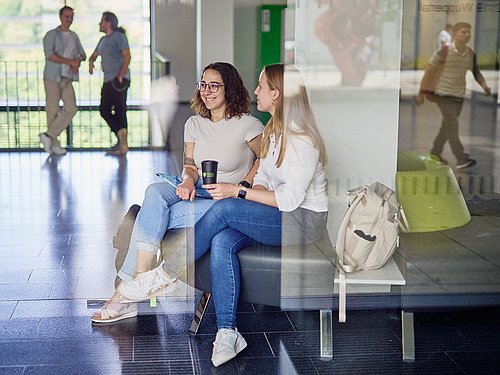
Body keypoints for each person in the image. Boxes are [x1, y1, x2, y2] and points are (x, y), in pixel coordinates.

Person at [118, 64, 329, 367]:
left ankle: (164, 275)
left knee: (226, 207)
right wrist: (246, 190)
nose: (256, 91)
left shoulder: (303, 140)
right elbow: (266, 179)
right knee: (222, 240)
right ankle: (228, 332)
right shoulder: (273, 131)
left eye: (261, 86)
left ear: (277, 94)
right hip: (276, 213)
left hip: (303, 223)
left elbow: (290, 199)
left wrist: (237, 192)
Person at [91, 62, 263, 323]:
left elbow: (266, 160)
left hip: (225, 202)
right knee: (155, 193)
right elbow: (190, 165)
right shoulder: (194, 123)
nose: (207, 90)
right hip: (197, 192)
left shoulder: (249, 124)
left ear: (230, 88)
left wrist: (244, 186)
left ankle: (125, 294)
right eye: (203, 84)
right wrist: (186, 181)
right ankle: (142, 280)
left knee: (153, 215)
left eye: (214, 85)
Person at [416, 22, 491, 169]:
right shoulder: (443, 51)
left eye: (469, 32)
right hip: (442, 93)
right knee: (453, 125)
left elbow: (475, 72)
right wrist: (421, 92)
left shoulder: (470, 53)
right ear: (455, 34)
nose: (467, 34)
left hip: (459, 95)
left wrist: (484, 85)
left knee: (447, 125)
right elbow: (429, 70)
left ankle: (435, 153)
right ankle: (460, 158)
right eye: (463, 32)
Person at [40, 5, 86, 156]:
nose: (69, 19)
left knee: (71, 108)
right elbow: (50, 56)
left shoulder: (74, 36)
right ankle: (54, 145)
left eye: (71, 17)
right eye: (67, 16)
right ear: (60, 17)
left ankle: (48, 135)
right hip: (52, 77)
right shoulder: (51, 35)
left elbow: (82, 54)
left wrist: (77, 61)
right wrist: (70, 62)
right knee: (52, 110)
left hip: (67, 78)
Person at [89, 12, 131, 155]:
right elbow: (94, 55)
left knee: (119, 110)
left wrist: (120, 75)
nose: (99, 24)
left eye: (101, 21)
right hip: (108, 80)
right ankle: (121, 137)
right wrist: (90, 62)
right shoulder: (103, 40)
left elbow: (127, 56)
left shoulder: (119, 38)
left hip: (119, 80)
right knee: (104, 110)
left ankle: (122, 145)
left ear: (108, 23)